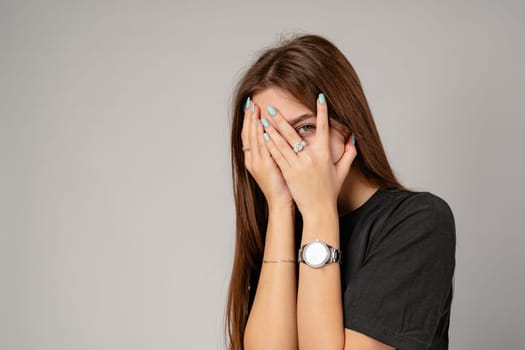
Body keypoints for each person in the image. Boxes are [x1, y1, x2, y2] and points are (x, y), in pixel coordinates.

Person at [225, 34, 456, 350]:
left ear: (347, 125)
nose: (286, 152)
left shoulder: (417, 222)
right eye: (269, 136)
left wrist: (319, 211)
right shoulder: (279, 229)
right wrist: (280, 207)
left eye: (305, 127)